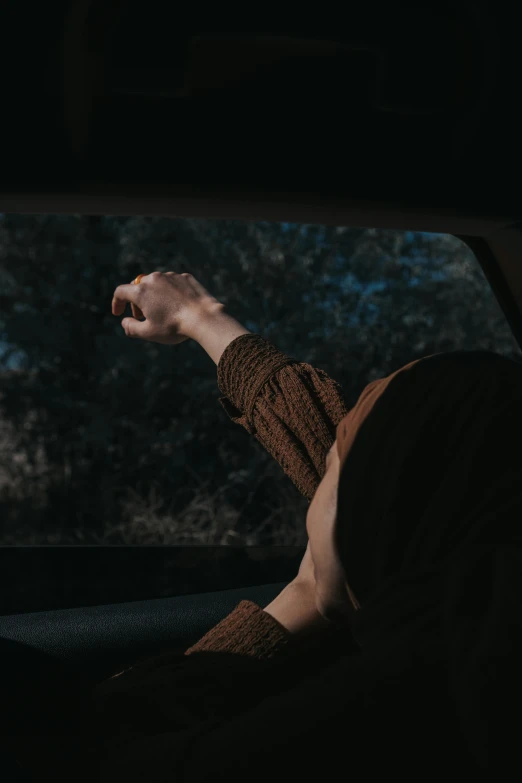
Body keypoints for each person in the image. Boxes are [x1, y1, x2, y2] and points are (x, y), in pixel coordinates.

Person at [10, 271, 522, 780]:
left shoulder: (359, 725)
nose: (317, 483)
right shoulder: (476, 652)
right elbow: (403, 476)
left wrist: (307, 592)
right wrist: (201, 318)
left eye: (336, 469)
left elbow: (110, 741)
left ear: (371, 515)